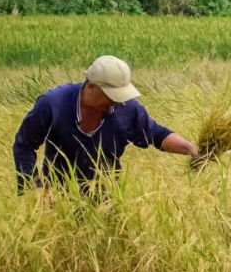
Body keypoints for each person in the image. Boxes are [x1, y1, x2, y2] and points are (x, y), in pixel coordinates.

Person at [13, 55, 199, 193]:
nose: (116, 101)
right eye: (111, 95)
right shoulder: (53, 103)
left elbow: (157, 135)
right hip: (57, 197)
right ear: (91, 86)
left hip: (107, 196)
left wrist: (190, 148)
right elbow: (24, 145)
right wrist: (34, 188)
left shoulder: (126, 108)